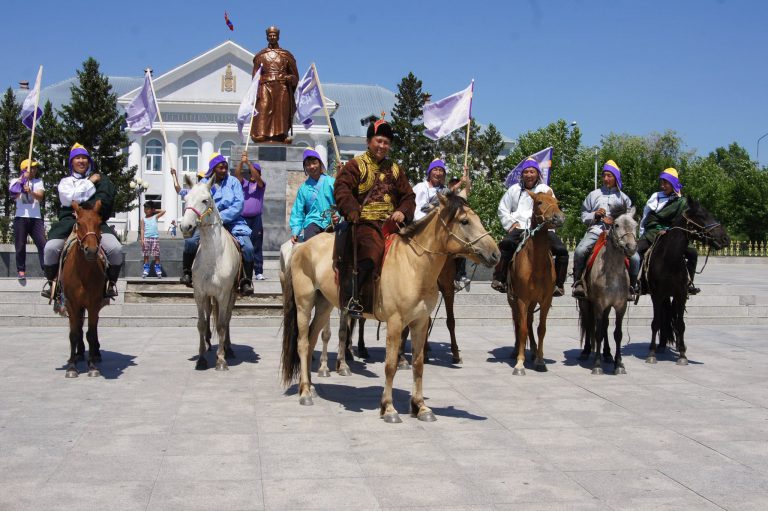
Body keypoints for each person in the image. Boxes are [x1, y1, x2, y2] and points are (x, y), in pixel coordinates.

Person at [334, 119, 415, 318]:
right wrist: (352, 211)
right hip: (364, 222)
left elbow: (409, 196)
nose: (382, 146)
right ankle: (357, 298)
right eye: (378, 141)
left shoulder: (395, 169)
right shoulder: (356, 165)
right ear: (369, 141)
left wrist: (403, 211)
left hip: (391, 224)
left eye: (386, 142)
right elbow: (342, 187)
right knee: (371, 251)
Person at [41, 143, 123, 299]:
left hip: (93, 222)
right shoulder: (65, 182)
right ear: (72, 162)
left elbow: (103, 201)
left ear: (89, 162)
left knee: (115, 249)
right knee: (50, 248)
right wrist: (90, 183)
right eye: (77, 158)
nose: (81, 161)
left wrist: (86, 202)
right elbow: (68, 199)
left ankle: (111, 282)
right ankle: (52, 282)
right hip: (69, 221)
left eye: (84, 158)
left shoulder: (102, 180)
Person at [180, 153, 255, 296]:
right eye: (221, 167)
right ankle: (187, 273)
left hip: (233, 222)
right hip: (207, 223)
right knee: (190, 242)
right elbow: (195, 200)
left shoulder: (233, 182)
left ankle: (245, 281)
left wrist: (220, 218)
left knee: (248, 247)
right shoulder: (204, 184)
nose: (224, 170)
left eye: (225, 167)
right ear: (213, 168)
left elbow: (238, 204)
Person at [492, 158, 569, 296]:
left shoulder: (546, 190)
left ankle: (558, 284)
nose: (529, 175)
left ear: (537, 174)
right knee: (506, 243)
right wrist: (511, 223)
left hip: (543, 228)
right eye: (526, 172)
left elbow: (553, 208)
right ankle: (500, 278)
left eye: (532, 172)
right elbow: (502, 209)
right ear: (522, 174)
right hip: (520, 226)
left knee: (562, 250)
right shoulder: (514, 189)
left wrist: (549, 223)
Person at [572, 160, 640, 299]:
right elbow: (583, 215)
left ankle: (631, 287)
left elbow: (628, 220)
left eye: (609, 175)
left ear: (616, 177)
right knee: (579, 251)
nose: (606, 179)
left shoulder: (624, 198)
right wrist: (595, 215)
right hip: (596, 231)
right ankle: (578, 282)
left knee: (636, 258)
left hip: (618, 235)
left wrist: (613, 221)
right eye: (604, 176)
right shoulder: (593, 194)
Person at [637, 168, 700, 295]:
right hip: (653, 232)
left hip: (673, 234)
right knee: (637, 251)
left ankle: (688, 284)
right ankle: (637, 283)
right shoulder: (656, 197)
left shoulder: (682, 201)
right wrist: (648, 231)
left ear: (673, 183)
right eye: (662, 182)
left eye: (666, 182)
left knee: (693, 253)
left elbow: (682, 222)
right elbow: (648, 217)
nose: (662, 185)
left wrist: (669, 230)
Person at [413, 159, 471, 290]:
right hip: (421, 226)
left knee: (460, 241)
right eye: (435, 170)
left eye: (441, 171)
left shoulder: (445, 190)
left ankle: (458, 275)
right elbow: (417, 208)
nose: (438, 173)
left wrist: (466, 178)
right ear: (429, 172)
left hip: (440, 228)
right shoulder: (420, 187)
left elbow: (465, 192)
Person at [250, 26, 299, 143]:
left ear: (278, 36)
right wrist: (255, 91)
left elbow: (295, 76)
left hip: (282, 86)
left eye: (274, 35)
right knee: (263, 107)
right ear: (267, 37)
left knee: (281, 110)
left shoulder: (285, 55)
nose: (272, 37)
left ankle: (282, 135)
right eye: (270, 35)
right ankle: (261, 134)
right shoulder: (260, 56)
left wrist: (291, 78)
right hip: (265, 86)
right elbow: (255, 76)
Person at [8, 159, 46, 282]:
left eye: (35, 168)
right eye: (31, 168)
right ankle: (21, 270)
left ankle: (46, 270)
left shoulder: (38, 182)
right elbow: (13, 194)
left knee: (43, 244)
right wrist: (22, 182)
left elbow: (40, 197)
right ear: (24, 169)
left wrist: (31, 192)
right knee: (20, 245)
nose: (34, 170)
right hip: (20, 217)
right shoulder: (15, 181)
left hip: (35, 218)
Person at [289, 149, 337, 244]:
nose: (312, 167)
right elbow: (298, 212)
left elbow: (342, 201)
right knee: (310, 247)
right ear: (305, 168)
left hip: (333, 221)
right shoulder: (303, 189)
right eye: (308, 164)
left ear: (320, 164)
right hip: (313, 223)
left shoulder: (332, 182)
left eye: (314, 163)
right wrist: (295, 231)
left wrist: (338, 216)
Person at [234, 152, 267, 281]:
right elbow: (237, 175)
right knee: (243, 245)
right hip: (243, 219)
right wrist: (242, 163)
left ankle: (258, 271)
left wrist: (249, 163)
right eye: (251, 172)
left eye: (256, 172)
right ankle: (243, 270)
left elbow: (257, 178)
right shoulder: (244, 184)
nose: (253, 174)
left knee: (257, 245)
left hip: (256, 219)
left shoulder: (260, 185)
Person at [140, 201, 165, 278]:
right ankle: (146, 269)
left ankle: (157, 269)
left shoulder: (155, 217)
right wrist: (142, 239)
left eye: (148, 208)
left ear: (151, 209)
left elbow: (164, 211)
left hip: (155, 238)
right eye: (145, 208)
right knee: (146, 255)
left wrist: (155, 210)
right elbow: (142, 229)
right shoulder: (143, 219)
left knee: (156, 254)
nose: (146, 210)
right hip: (146, 238)